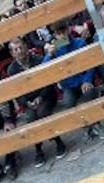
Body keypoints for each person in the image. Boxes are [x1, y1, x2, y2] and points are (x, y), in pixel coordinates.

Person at [5, 37, 68, 166]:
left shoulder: (39, 59)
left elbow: (49, 82)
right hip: (29, 102)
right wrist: (27, 103)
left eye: (21, 47)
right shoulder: (12, 70)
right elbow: (17, 93)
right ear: (12, 53)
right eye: (16, 49)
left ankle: (58, 141)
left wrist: (40, 97)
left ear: (26, 47)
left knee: (42, 113)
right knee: (30, 118)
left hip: (46, 96)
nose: (20, 51)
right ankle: (38, 150)